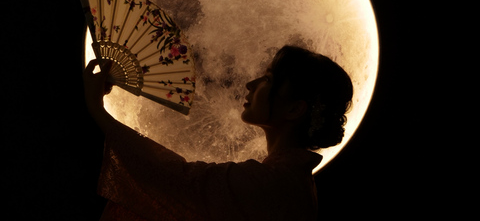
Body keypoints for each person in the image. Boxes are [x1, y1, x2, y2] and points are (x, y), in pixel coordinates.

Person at [84, 45, 353, 221]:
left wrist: (96, 108)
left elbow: (176, 178)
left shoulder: (274, 183)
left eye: (268, 79)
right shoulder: (288, 181)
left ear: (295, 109)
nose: (251, 84)